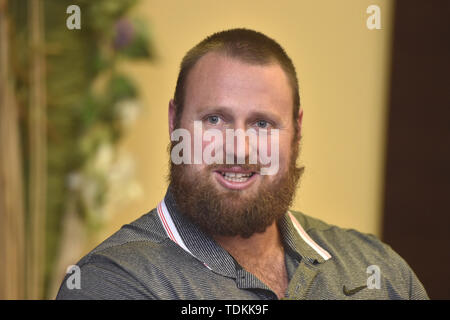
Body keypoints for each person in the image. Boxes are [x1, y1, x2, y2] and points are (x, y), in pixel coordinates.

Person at [56, 28, 428, 300]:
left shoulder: (378, 269)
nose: (239, 150)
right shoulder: (114, 282)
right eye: (215, 119)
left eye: (263, 124)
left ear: (297, 131)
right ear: (175, 122)